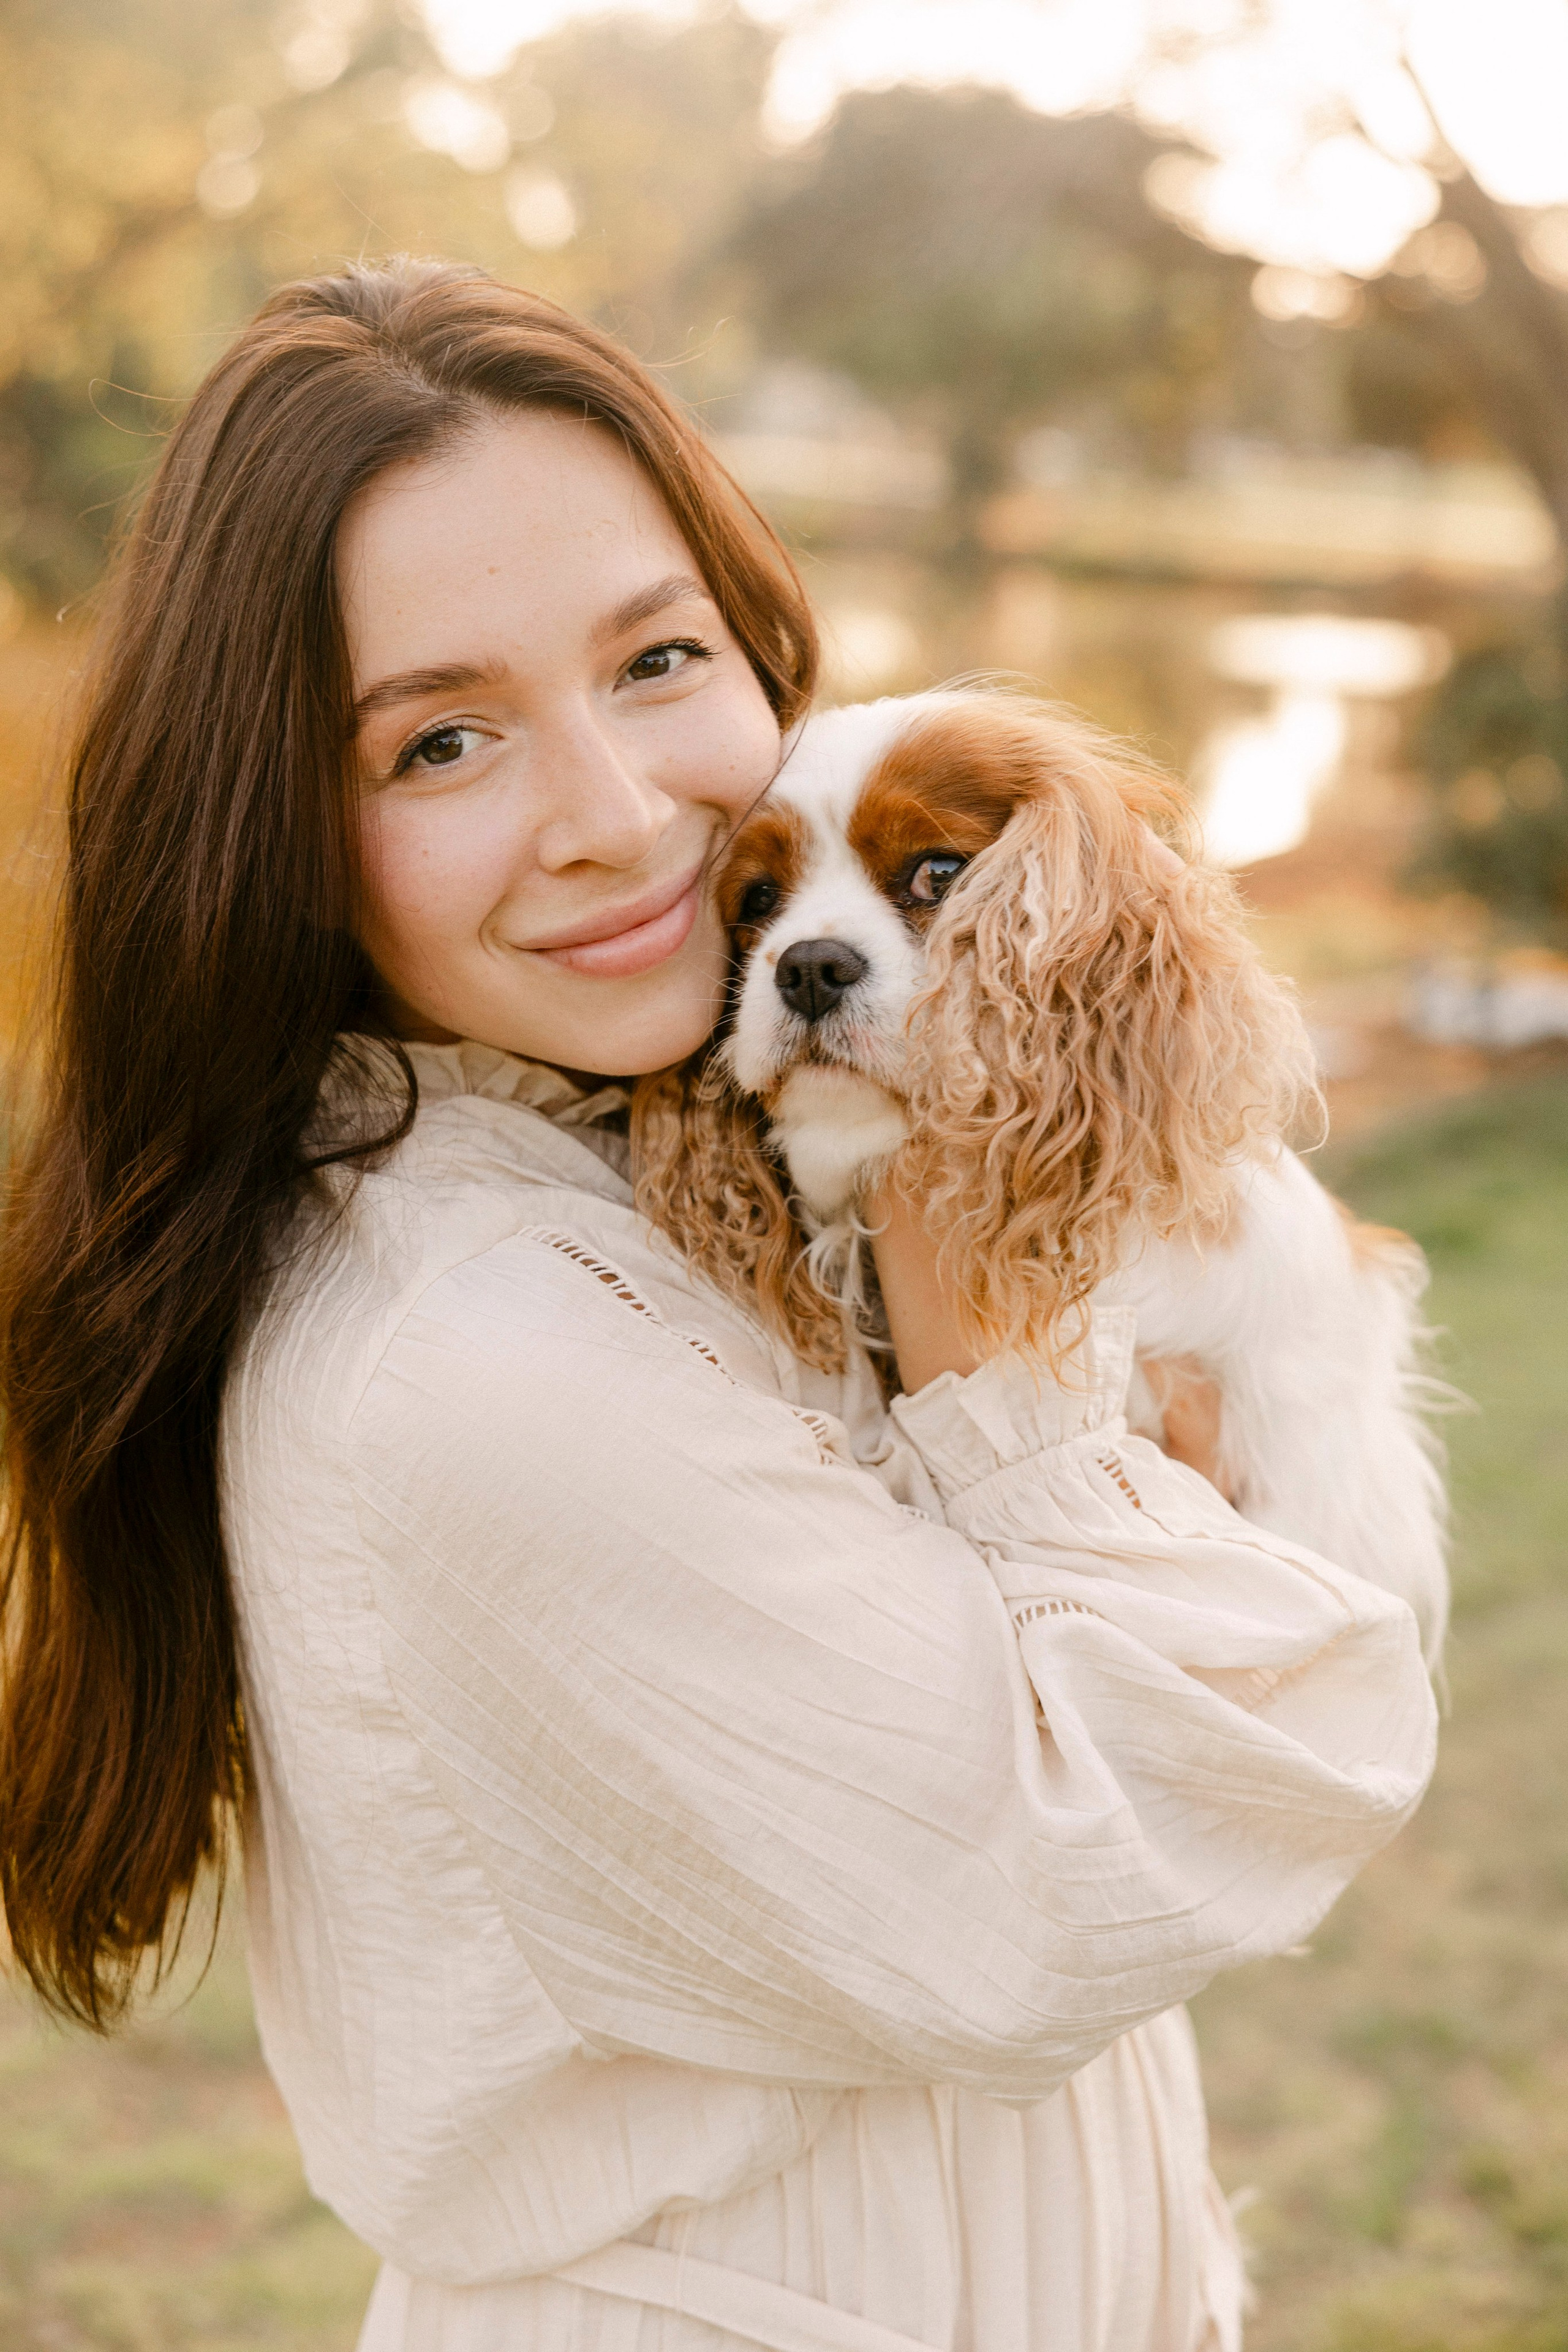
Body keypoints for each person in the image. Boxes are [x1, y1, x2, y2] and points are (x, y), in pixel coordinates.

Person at [0, 260, 1436, 2352]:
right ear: (282, 837)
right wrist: (1012, 1377)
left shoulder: (634, 1146)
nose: (621, 819)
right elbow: (1085, 1866)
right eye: (444, 741)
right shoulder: (466, 1356)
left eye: (658, 660)